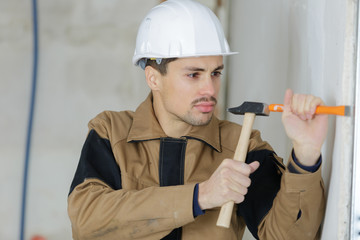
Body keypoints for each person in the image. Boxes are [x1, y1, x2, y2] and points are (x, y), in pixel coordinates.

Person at [67, 0, 327, 239]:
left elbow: (288, 236)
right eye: (193, 75)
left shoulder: (241, 146)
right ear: (153, 78)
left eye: (215, 73)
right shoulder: (111, 133)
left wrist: (305, 156)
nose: (211, 90)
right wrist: (200, 196)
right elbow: (87, 221)